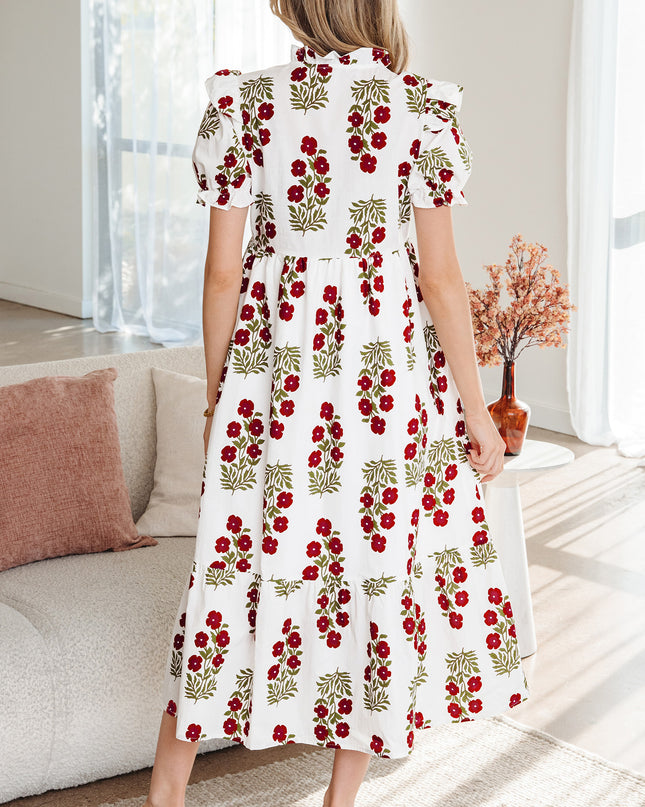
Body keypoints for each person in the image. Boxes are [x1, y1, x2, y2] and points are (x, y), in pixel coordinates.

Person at [144, 1, 530, 805]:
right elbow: (441, 281)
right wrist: (470, 409)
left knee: (234, 568)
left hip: (271, 381)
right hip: (382, 382)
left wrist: (222, 404)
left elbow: (221, 278)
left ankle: (166, 789)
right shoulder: (420, 108)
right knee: (373, 569)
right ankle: (338, 797)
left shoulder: (240, 104)